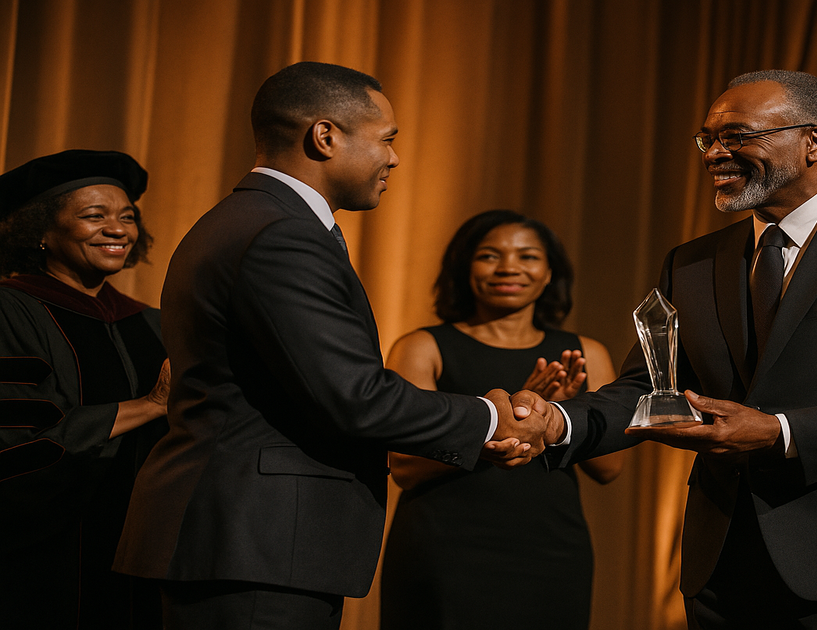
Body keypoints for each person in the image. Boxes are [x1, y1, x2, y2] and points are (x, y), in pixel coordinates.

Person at [542, 70, 817, 629]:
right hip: (723, 567)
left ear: (816, 143)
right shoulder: (692, 261)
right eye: (707, 139)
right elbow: (647, 390)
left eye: (737, 136)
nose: (714, 153)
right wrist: (556, 423)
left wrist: (781, 432)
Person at [111, 62, 550, 630]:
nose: (394, 158)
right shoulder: (280, 234)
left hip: (250, 541)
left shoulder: (252, 218)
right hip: (255, 544)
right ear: (325, 136)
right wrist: (490, 418)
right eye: (387, 140)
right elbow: (354, 395)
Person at [379, 209, 624, 630]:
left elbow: (609, 468)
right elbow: (404, 468)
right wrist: (507, 418)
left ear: (549, 273)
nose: (508, 267)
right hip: (443, 548)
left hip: (550, 552)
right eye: (490, 255)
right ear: (464, 266)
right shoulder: (422, 347)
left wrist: (561, 418)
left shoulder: (587, 352)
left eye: (527, 257)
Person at [0, 149, 171, 629]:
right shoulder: (11, 311)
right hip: (43, 557)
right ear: (39, 231)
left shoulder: (156, 325)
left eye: (127, 217)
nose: (117, 229)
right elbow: (17, 446)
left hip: (146, 553)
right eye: (94, 216)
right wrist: (151, 405)